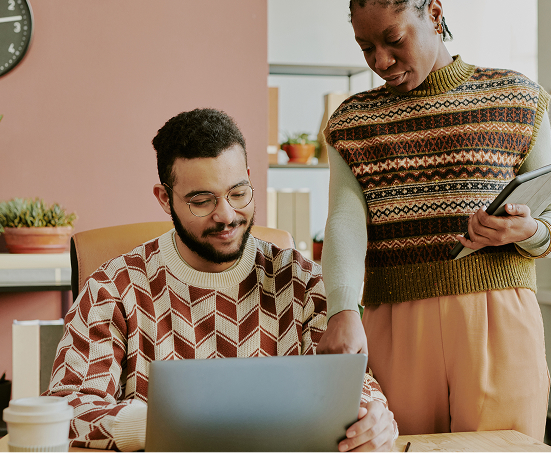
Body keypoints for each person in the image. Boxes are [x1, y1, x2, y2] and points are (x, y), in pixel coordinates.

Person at [316, 0, 551, 440]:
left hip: (500, 317)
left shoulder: (519, 99)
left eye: (393, 40)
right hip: (394, 322)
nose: (380, 62)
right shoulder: (352, 121)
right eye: (365, 47)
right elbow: (346, 223)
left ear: (433, 13)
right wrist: (343, 310)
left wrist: (529, 230)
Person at [47, 108, 396, 452]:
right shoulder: (114, 287)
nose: (226, 215)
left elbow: (354, 384)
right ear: (165, 199)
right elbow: (68, 408)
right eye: (202, 201)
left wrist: (374, 419)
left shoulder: (302, 280)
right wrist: (160, 426)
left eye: (238, 192)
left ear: (248, 176)